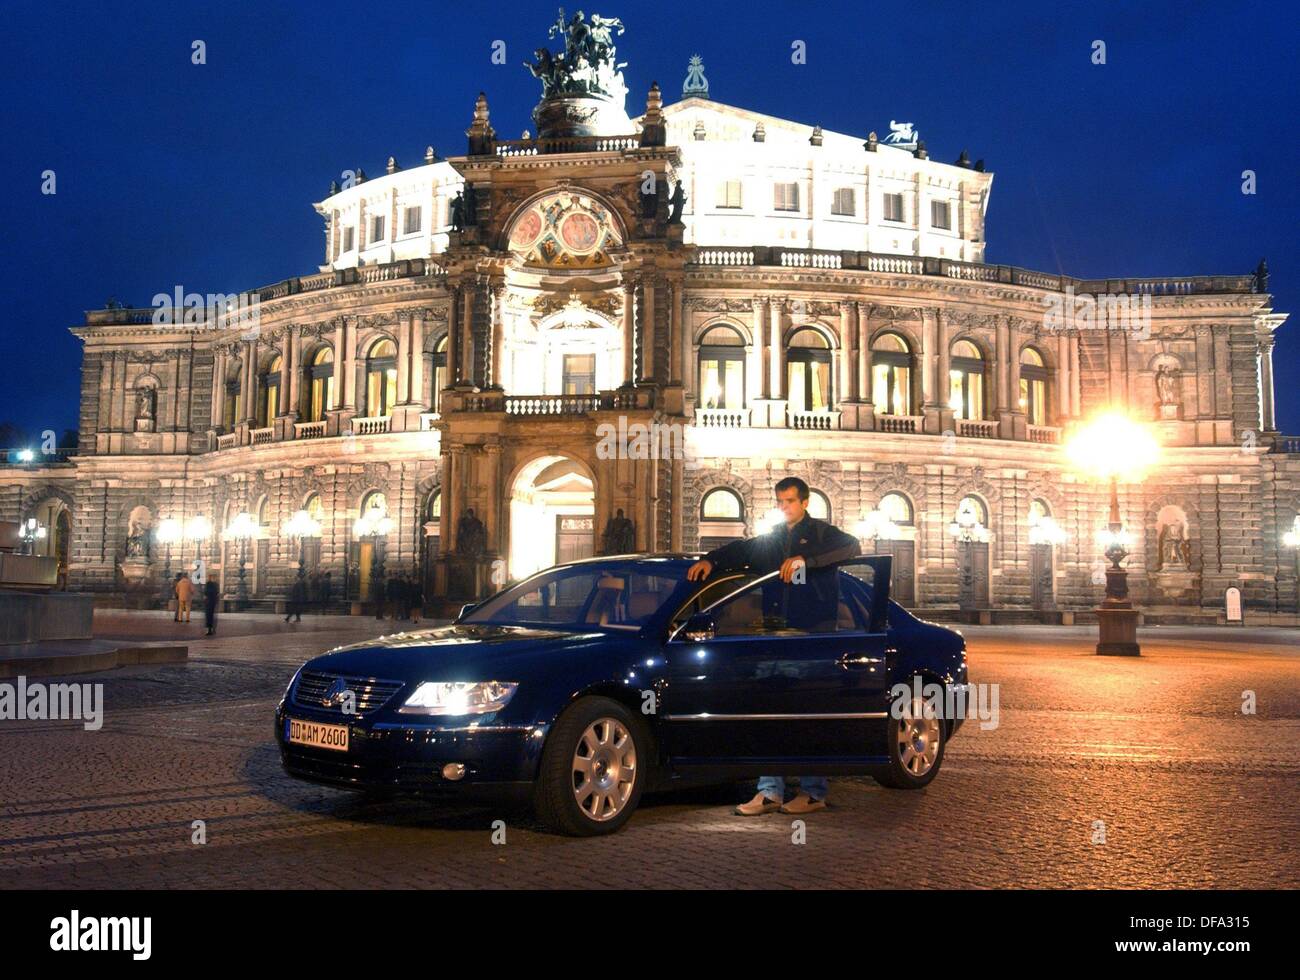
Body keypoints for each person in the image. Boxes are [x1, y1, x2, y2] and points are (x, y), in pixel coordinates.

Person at [686, 476, 860, 817]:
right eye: (780, 501)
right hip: (775, 635)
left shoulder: (824, 535)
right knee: (772, 716)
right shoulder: (774, 538)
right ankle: (770, 792)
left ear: (805, 502)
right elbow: (741, 549)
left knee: (806, 717)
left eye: (790, 501)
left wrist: (805, 560)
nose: (783, 507)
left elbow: (852, 546)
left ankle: (812, 792)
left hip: (811, 635)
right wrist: (710, 560)